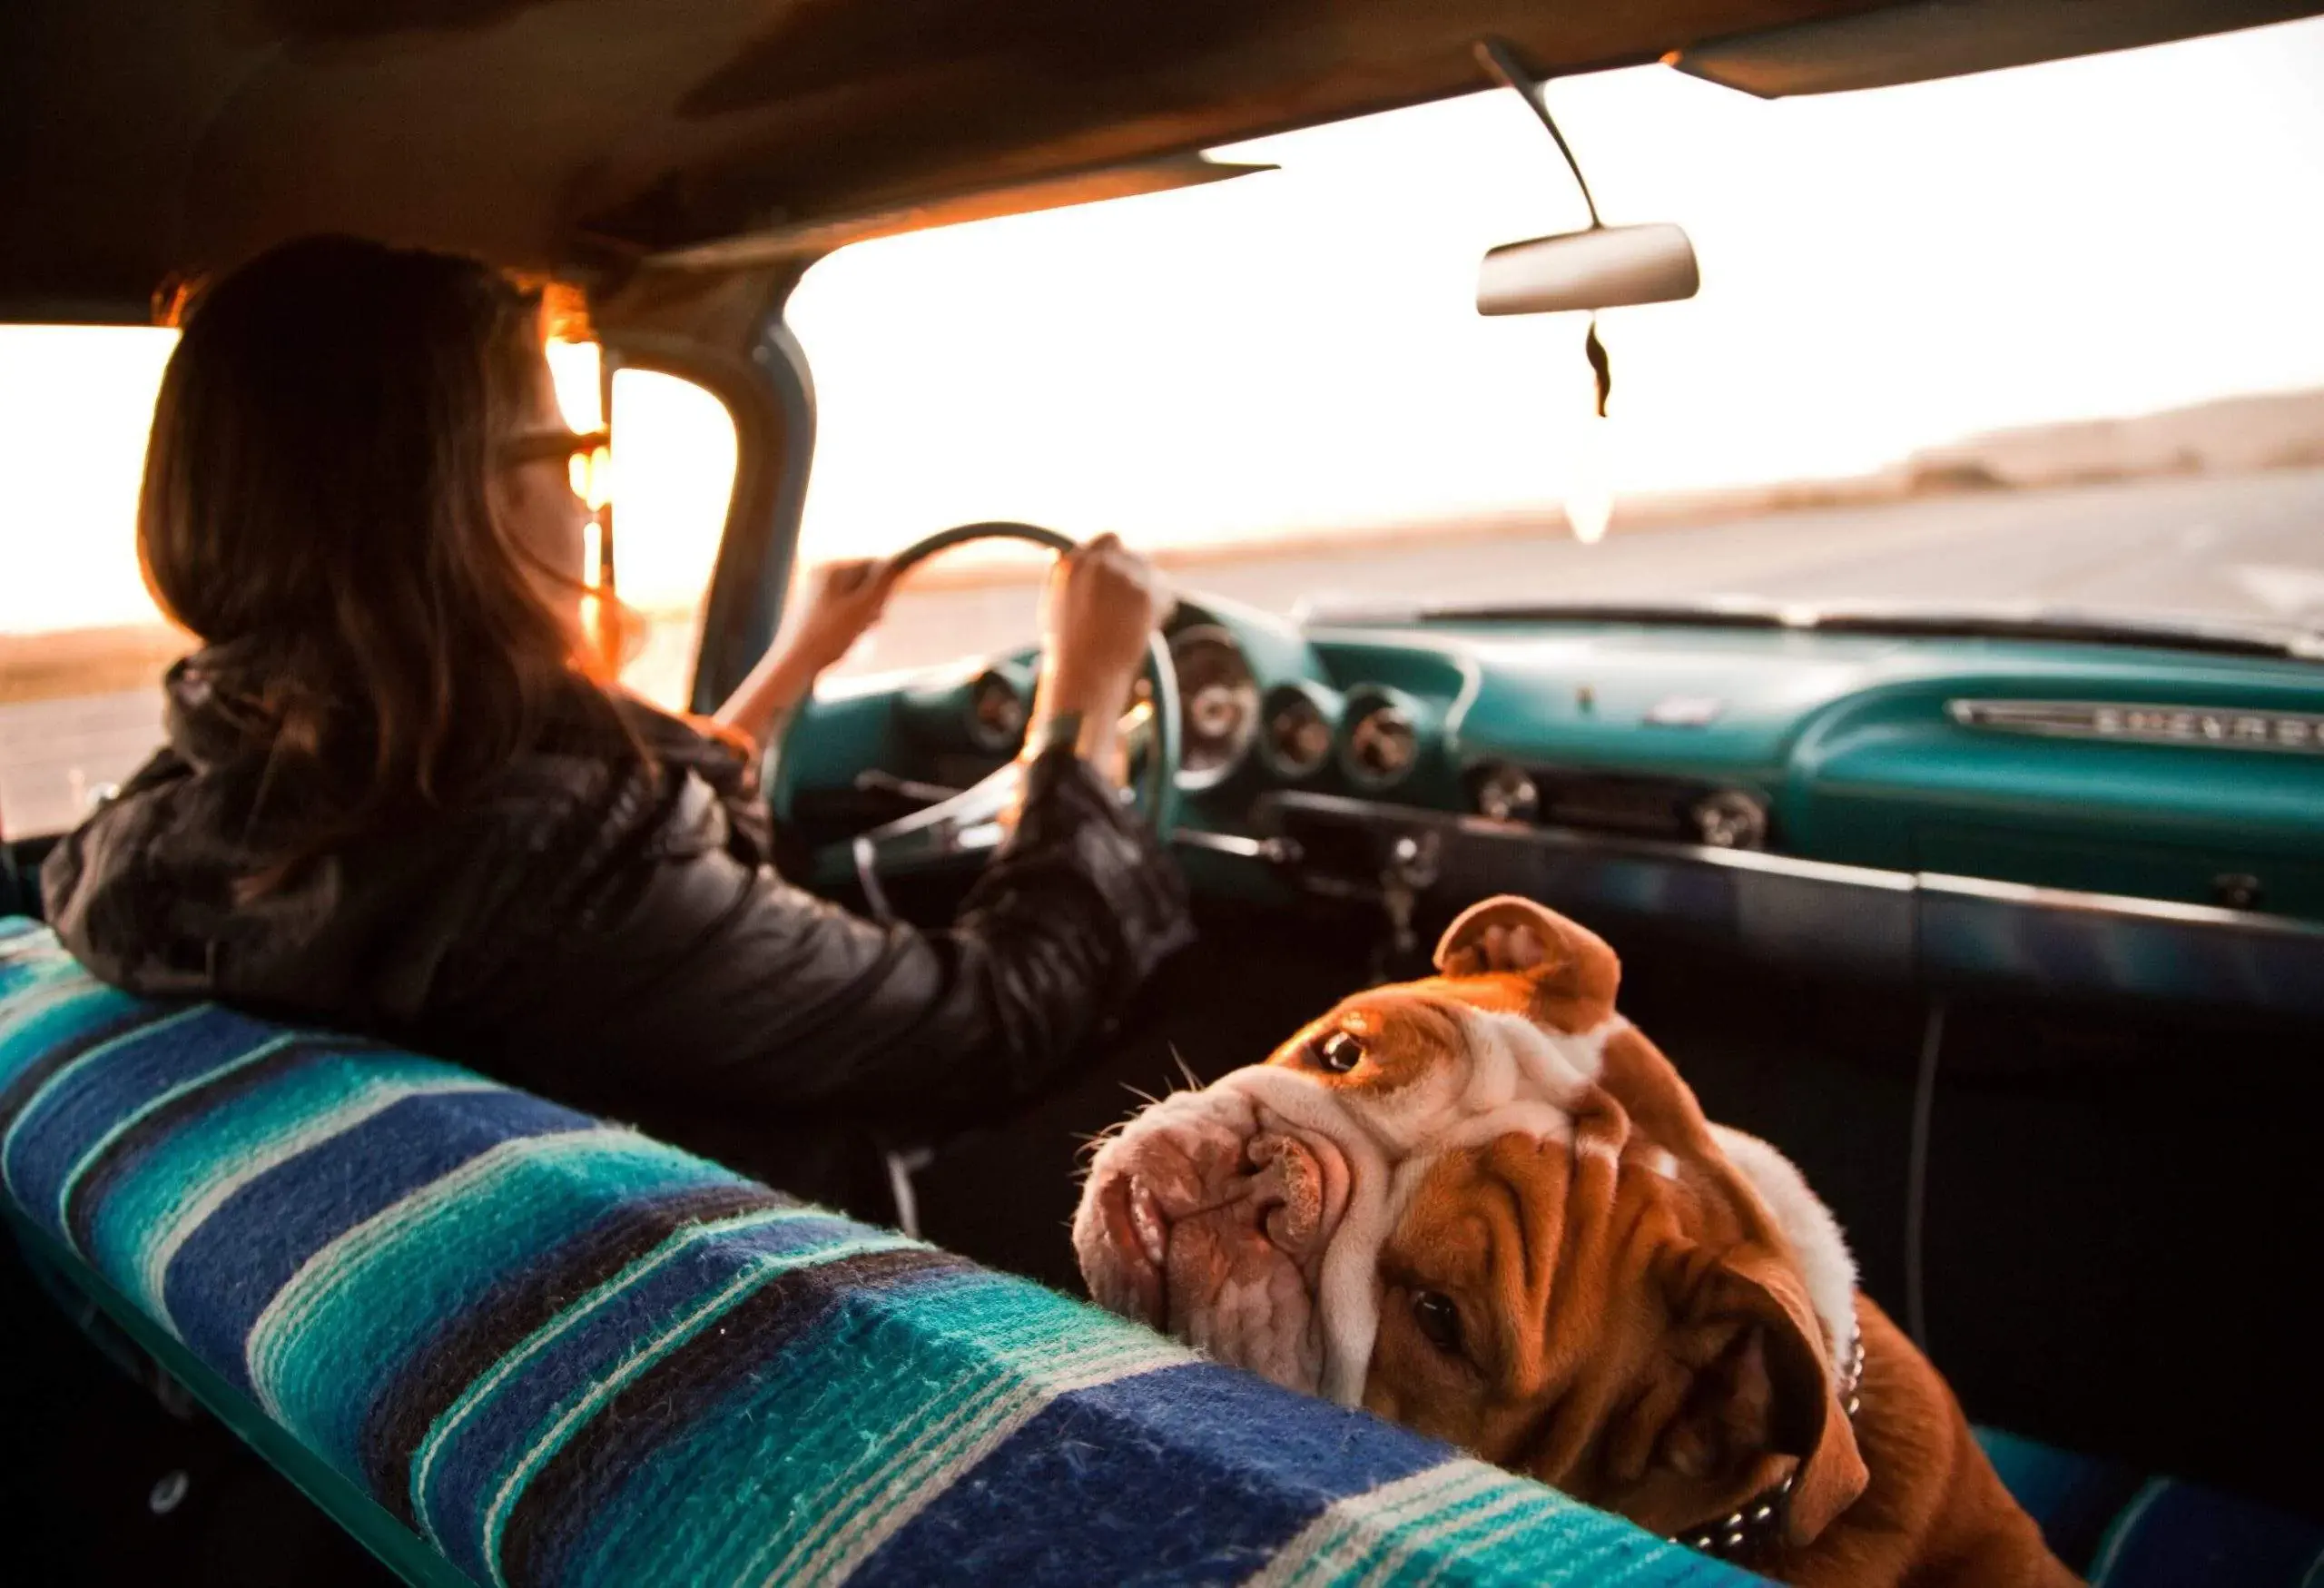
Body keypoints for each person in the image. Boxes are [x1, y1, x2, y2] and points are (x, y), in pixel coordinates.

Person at [39, 234, 1191, 1217]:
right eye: (565, 450)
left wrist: (794, 665)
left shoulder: (196, 817)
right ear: (464, 497)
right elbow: (997, 1015)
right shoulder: (553, 872)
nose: (587, 494)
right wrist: (1082, 694)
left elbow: (621, 870)